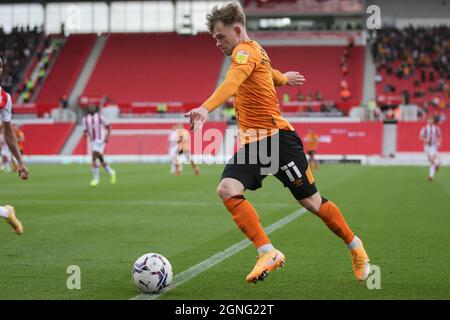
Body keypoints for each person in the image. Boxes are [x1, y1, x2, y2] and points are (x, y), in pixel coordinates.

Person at [186, 3, 370, 284]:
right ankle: (267, 252)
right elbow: (269, 73)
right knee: (227, 189)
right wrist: (284, 79)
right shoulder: (255, 50)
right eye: (215, 39)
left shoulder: (243, 51)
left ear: (237, 30)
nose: (218, 43)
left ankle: (355, 246)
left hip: (278, 139)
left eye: (221, 37)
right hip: (253, 143)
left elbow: (232, 82)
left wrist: (205, 108)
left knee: (312, 202)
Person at [0, 54, 30, 235]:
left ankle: (7, 212)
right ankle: (6, 212)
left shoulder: (5, 98)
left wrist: (20, 161)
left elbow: (9, 132)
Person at [82, 105, 116, 186]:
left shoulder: (101, 117)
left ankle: (96, 179)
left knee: (94, 157)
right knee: (101, 159)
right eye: (90, 107)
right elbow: (84, 130)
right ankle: (111, 172)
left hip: (100, 140)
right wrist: (85, 134)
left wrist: (107, 136)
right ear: (88, 109)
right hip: (92, 142)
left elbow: (109, 126)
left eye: (93, 107)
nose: (91, 108)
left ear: (95, 109)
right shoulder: (85, 119)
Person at [420, 116, 441, 181]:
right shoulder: (424, 128)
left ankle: (431, 176)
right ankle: (437, 163)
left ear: (433, 121)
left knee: (432, 160)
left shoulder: (437, 128)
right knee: (430, 160)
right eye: (429, 120)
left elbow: (439, 136)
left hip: (433, 146)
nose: (430, 121)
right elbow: (421, 137)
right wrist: (425, 139)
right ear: (427, 121)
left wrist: (439, 143)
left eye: (431, 120)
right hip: (426, 147)